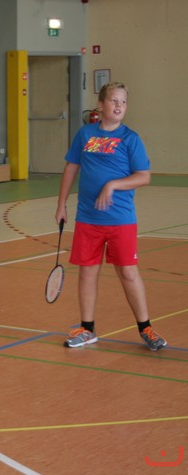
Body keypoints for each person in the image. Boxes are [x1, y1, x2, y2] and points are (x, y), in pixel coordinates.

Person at [55, 82, 167, 351]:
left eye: (123, 102)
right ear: (101, 105)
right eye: (114, 100)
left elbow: (144, 176)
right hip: (87, 218)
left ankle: (146, 328)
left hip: (120, 219)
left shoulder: (130, 138)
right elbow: (71, 167)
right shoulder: (86, 134)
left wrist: (112, 185)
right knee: (87, 272)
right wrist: (61, 204)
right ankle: (87, 329)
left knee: (128, 272)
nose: (119, 106)